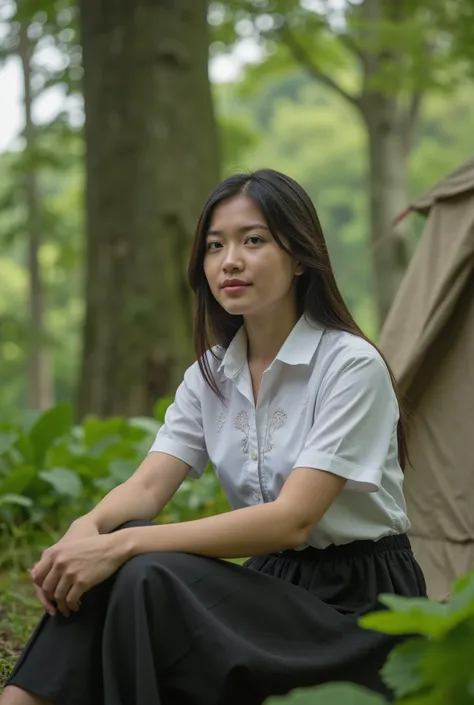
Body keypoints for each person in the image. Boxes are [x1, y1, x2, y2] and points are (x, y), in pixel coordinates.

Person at [2, 169, 426, 705]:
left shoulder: (349, 365)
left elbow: (292, 521)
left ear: (299, 258)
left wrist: (123, 543)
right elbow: (148, 488)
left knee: (141, 569)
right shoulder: (212, 374)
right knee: (115, 563)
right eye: (214, 245)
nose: (229, 261)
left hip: (360, 610)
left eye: (253, 240)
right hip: (272, 590)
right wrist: (85, 531)